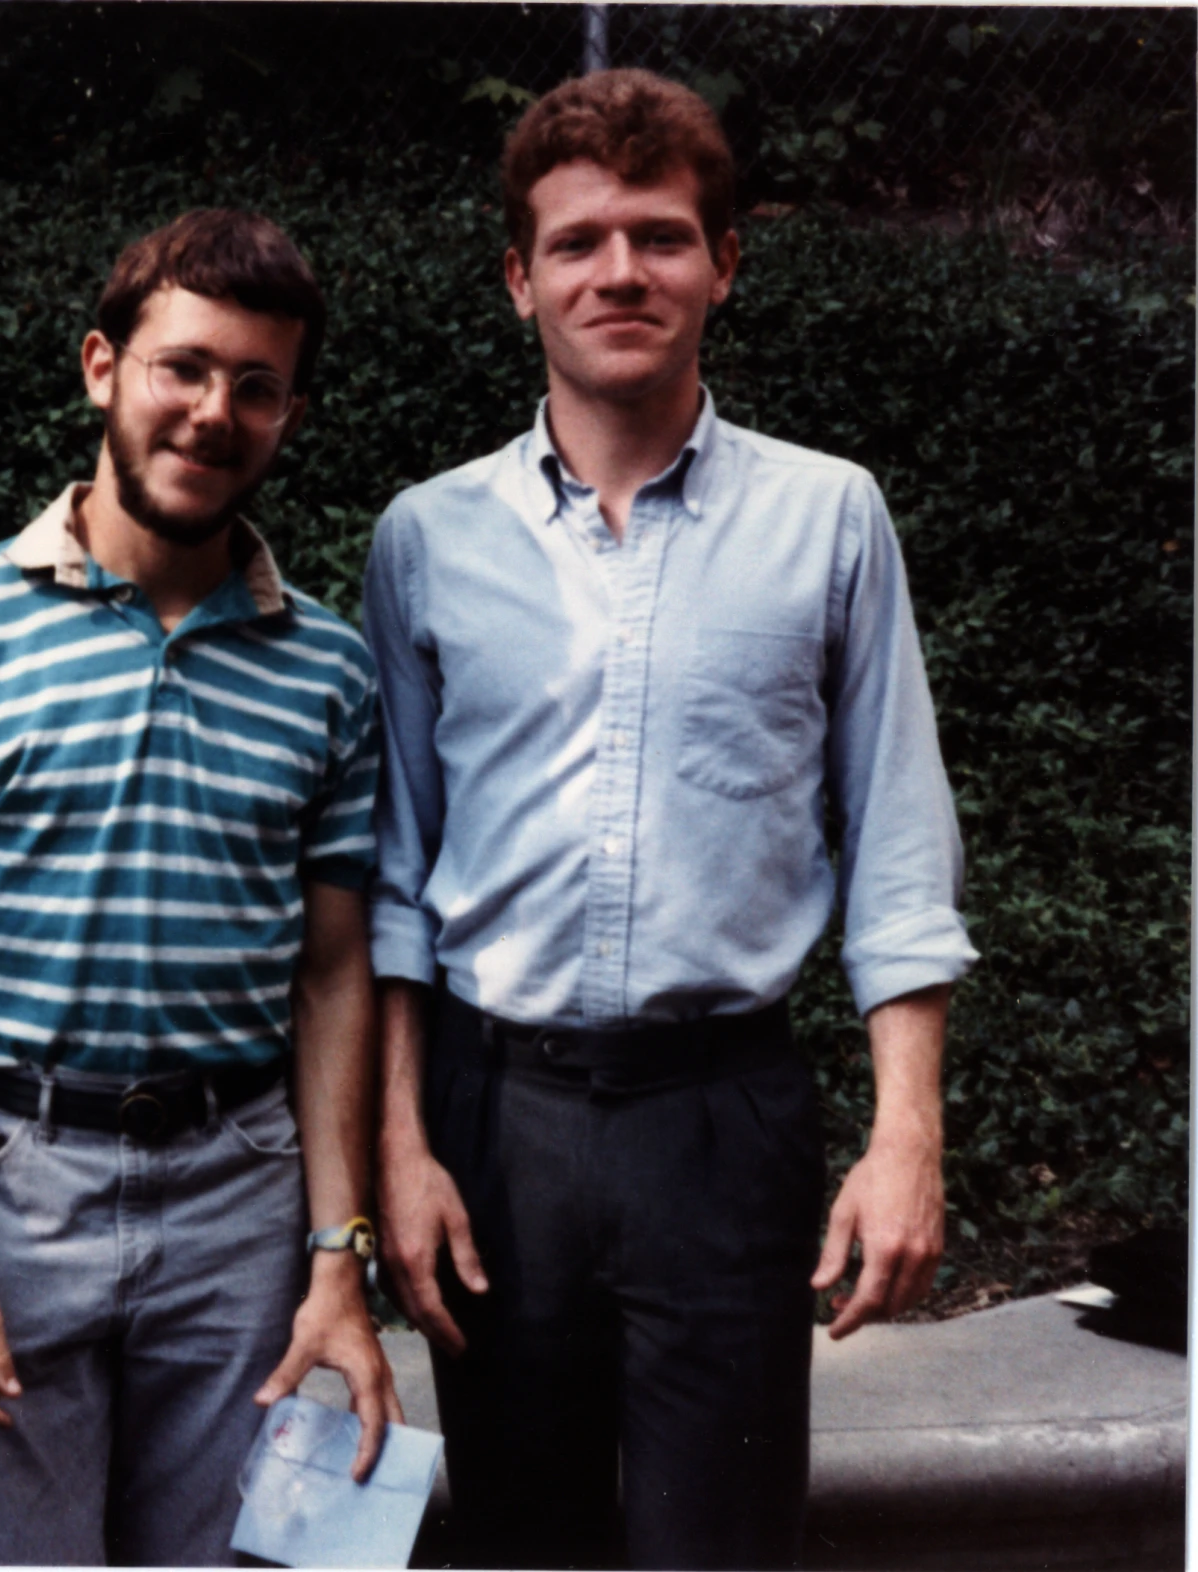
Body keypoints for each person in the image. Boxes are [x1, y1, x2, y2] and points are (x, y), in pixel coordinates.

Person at [362, 70, 977, 1569]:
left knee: (725, 1544)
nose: (618, 272)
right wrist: (398, 1142)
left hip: (723, 1122)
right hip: (492, 1124)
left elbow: (897, 844)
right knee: (520, 1543)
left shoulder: (828, 518)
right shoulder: (425, 538)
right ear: (518, 280)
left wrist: (907, 1137)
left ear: (723, 265)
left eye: (659, 236)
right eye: (575, 243)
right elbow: (389, 873)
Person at [0, 209, 402, 1567]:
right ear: (103, 366)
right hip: (10, 1186)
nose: (216, 413)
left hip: (242, 1200)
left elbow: (334, 974)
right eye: (184, 368)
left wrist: (338, 1258)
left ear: (288, 413)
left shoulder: (326, 670)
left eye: (256, 387)